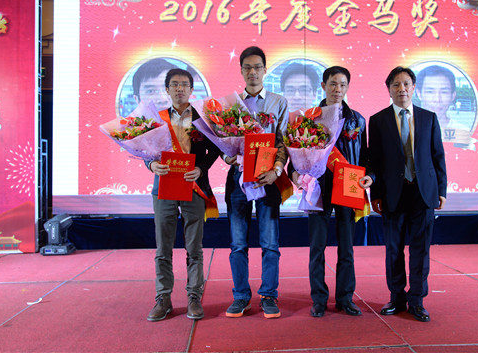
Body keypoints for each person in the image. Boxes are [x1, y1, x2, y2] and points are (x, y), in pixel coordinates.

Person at [362, 66, 447, 322]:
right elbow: (374, 160)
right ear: (389, 89)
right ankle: (397, 297)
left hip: (423, 194)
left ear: (414, 87)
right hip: (392, 194)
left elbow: (438, 156)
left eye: (406, 84)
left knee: (420, 250)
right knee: (393, 249)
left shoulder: (429, 118)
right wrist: (375, 194)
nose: (402, 89)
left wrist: (441, 190)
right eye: (396, 85)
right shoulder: (378, 120)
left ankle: (417, 300)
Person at [288, 66, 372, 317]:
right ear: (323, 86)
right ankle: (319, 299)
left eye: (343, 84)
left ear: (348, 87)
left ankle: (346, 298)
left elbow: (366, 156)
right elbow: (295, 153)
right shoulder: (309, 118)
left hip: (348, 186)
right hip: (318, 187)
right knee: (317, 247)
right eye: (333, 84)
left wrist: (370, 176)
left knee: (347, 247)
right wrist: (295, 175)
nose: (338, 89)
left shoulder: (357, 120)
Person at [145, 68, 220, 322]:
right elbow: (145, 150)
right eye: (175, 84)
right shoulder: (157, 119)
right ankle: (163, 298)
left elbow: (216, 149)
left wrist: (201, 168)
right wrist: (151, 165)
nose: (180, 89)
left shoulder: (202, 119)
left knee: (194, 247)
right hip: (164, 187)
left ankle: (194, 297)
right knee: (163, 247)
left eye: (184, 84)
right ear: (167, 89)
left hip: (193, 186)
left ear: (191, 89)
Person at [224, 46, 288, 319]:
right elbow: (223, 143)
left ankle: (269, 295)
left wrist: (276, 170)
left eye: (257, 67)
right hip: (238, 180)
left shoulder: (278, 102)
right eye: (247, 67)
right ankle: (240, 296)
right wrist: (228, 157)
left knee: (270, 243)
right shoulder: (231, 105)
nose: (253, 72)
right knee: (238, 244)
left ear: (265, 70)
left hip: (267, 180)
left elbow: (283, 142)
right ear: (241, 71)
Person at [415, 65, 467, 131]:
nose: (437, 99)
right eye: (430, 92)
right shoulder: (407, 130)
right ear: (419, 94)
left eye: (444, 92)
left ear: (453, 95)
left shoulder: (463, 131)